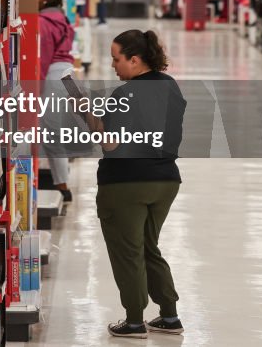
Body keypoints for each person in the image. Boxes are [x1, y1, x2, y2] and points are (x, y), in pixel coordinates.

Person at [80, 29, 186, 339]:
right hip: (165, 180)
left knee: (128, 251)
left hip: (126, 184)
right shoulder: (171, 87)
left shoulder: (124, 95)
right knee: (149, 247)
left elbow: (110, 144)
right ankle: (169, 315)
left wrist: (87, 116)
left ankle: (135, 320)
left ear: (135, 60)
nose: (113, 65)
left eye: (117, 59)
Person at [37, 0, 76, 202]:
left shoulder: (43, 23)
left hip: (53, 76)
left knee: (52, 133)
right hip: (66, 74)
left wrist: (35, 88)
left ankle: (63, 186)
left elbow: (42, 60)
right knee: (54, 130)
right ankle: (61, 181)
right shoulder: (62, 18)